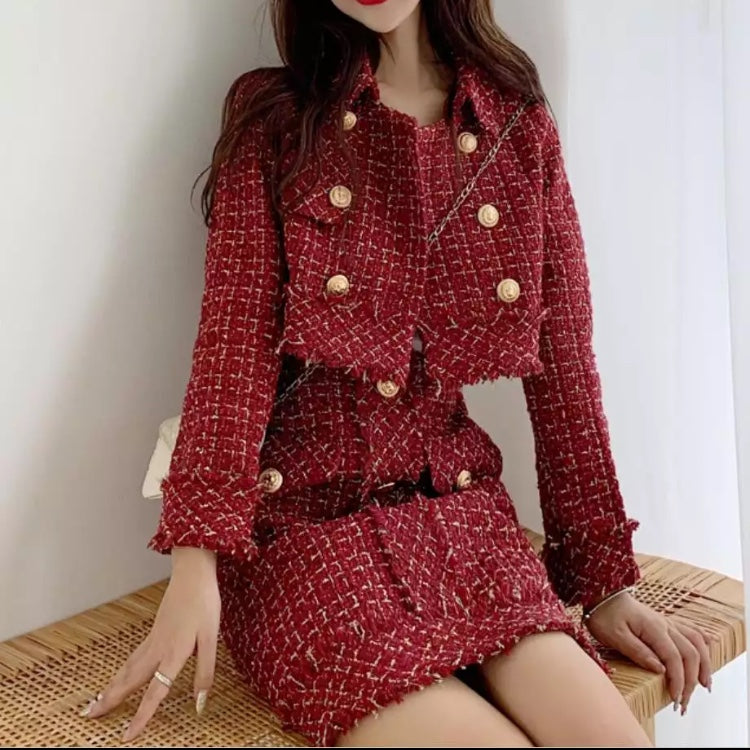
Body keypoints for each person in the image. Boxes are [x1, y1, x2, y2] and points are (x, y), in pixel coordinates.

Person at [82, 1, 713, 746]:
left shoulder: (515, 124)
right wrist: (196, 562)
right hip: (302, 534)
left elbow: (566, 369)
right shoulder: (278, 119)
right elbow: (231, 352)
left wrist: (604, 581)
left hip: (461, 516)